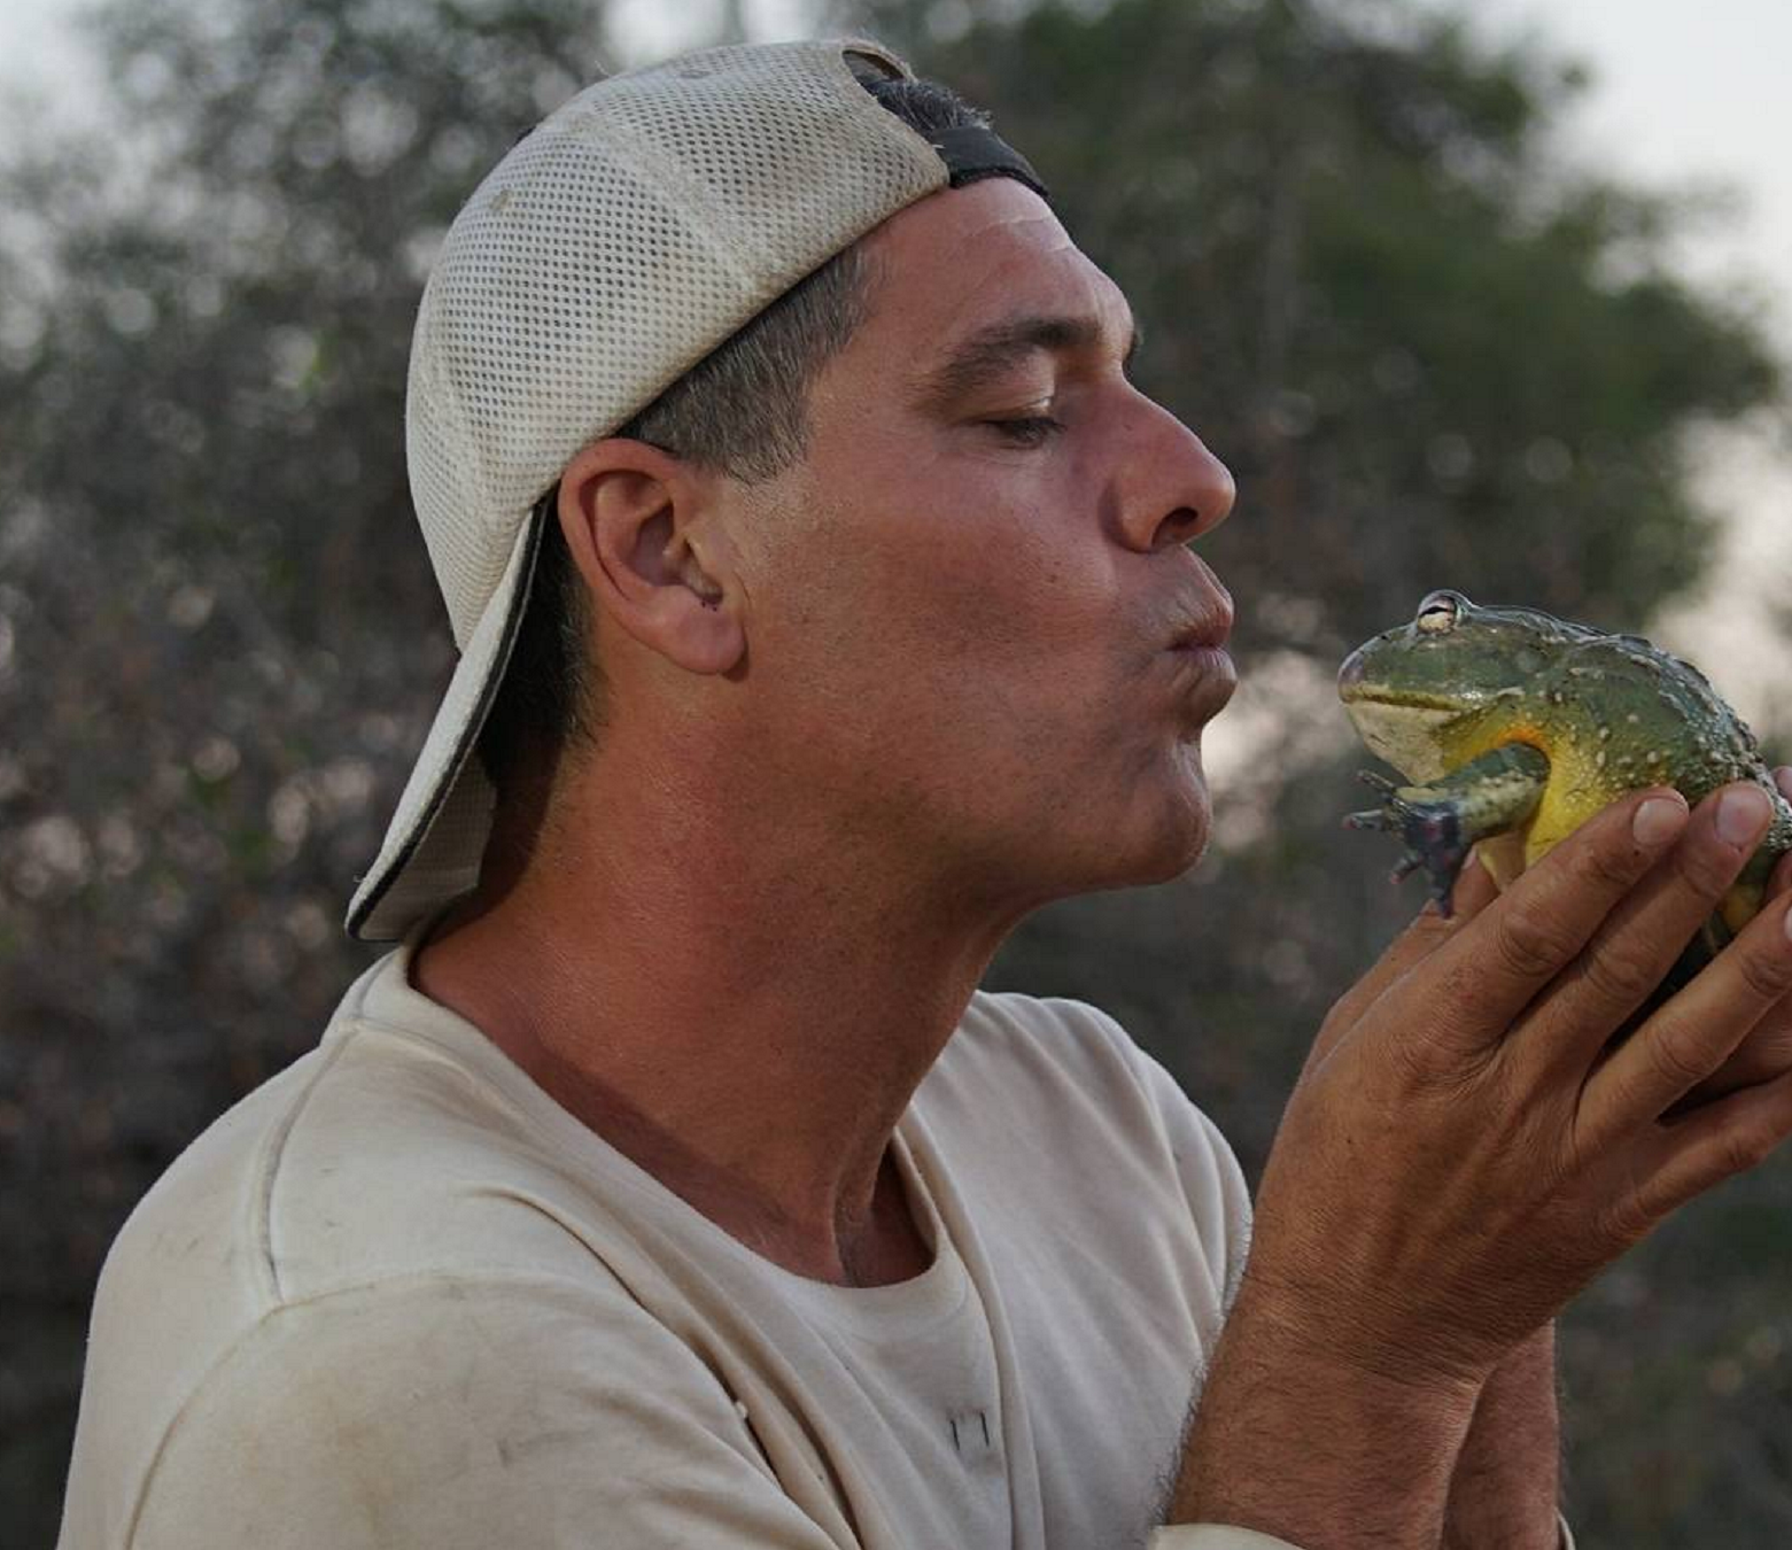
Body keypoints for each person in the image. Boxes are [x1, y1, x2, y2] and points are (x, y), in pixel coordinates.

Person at [56, 36, 1792, 1550]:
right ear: (668, 551)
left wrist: (1490, 1259)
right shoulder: (388, 1345)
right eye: (1028, 409)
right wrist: (1368, 1337)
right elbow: (1356, 1385)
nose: (1195, 476)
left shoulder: (1097, 1134)